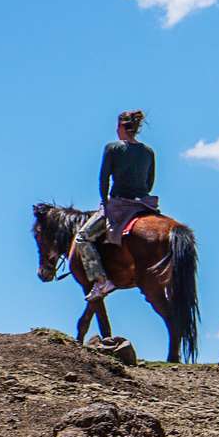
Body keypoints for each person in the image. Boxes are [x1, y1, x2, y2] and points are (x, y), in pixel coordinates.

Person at [74, 110, 157, 303]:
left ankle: (101, 281)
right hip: (143, 204)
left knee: (82, 238)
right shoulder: (148, 152)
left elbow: (104, 179)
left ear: (121, 127)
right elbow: (150, 183)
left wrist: (104, 202)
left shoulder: (112, 148)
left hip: (119, 203)